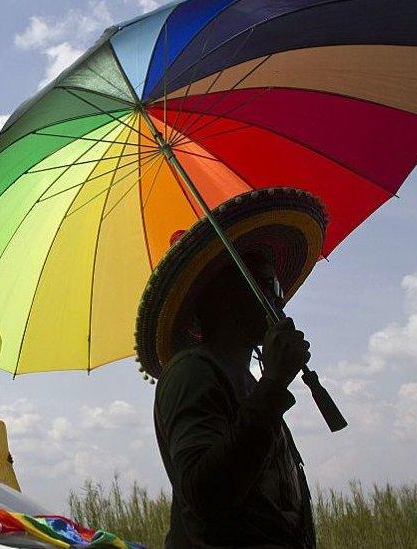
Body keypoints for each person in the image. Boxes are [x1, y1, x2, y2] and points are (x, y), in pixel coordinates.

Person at [135, 189, 325, 548]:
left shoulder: (248, 381)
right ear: (229, 292)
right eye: (269, 285)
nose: (280, 299)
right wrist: (274, 382)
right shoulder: (192, 373)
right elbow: (206, 496)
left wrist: (269, 384)